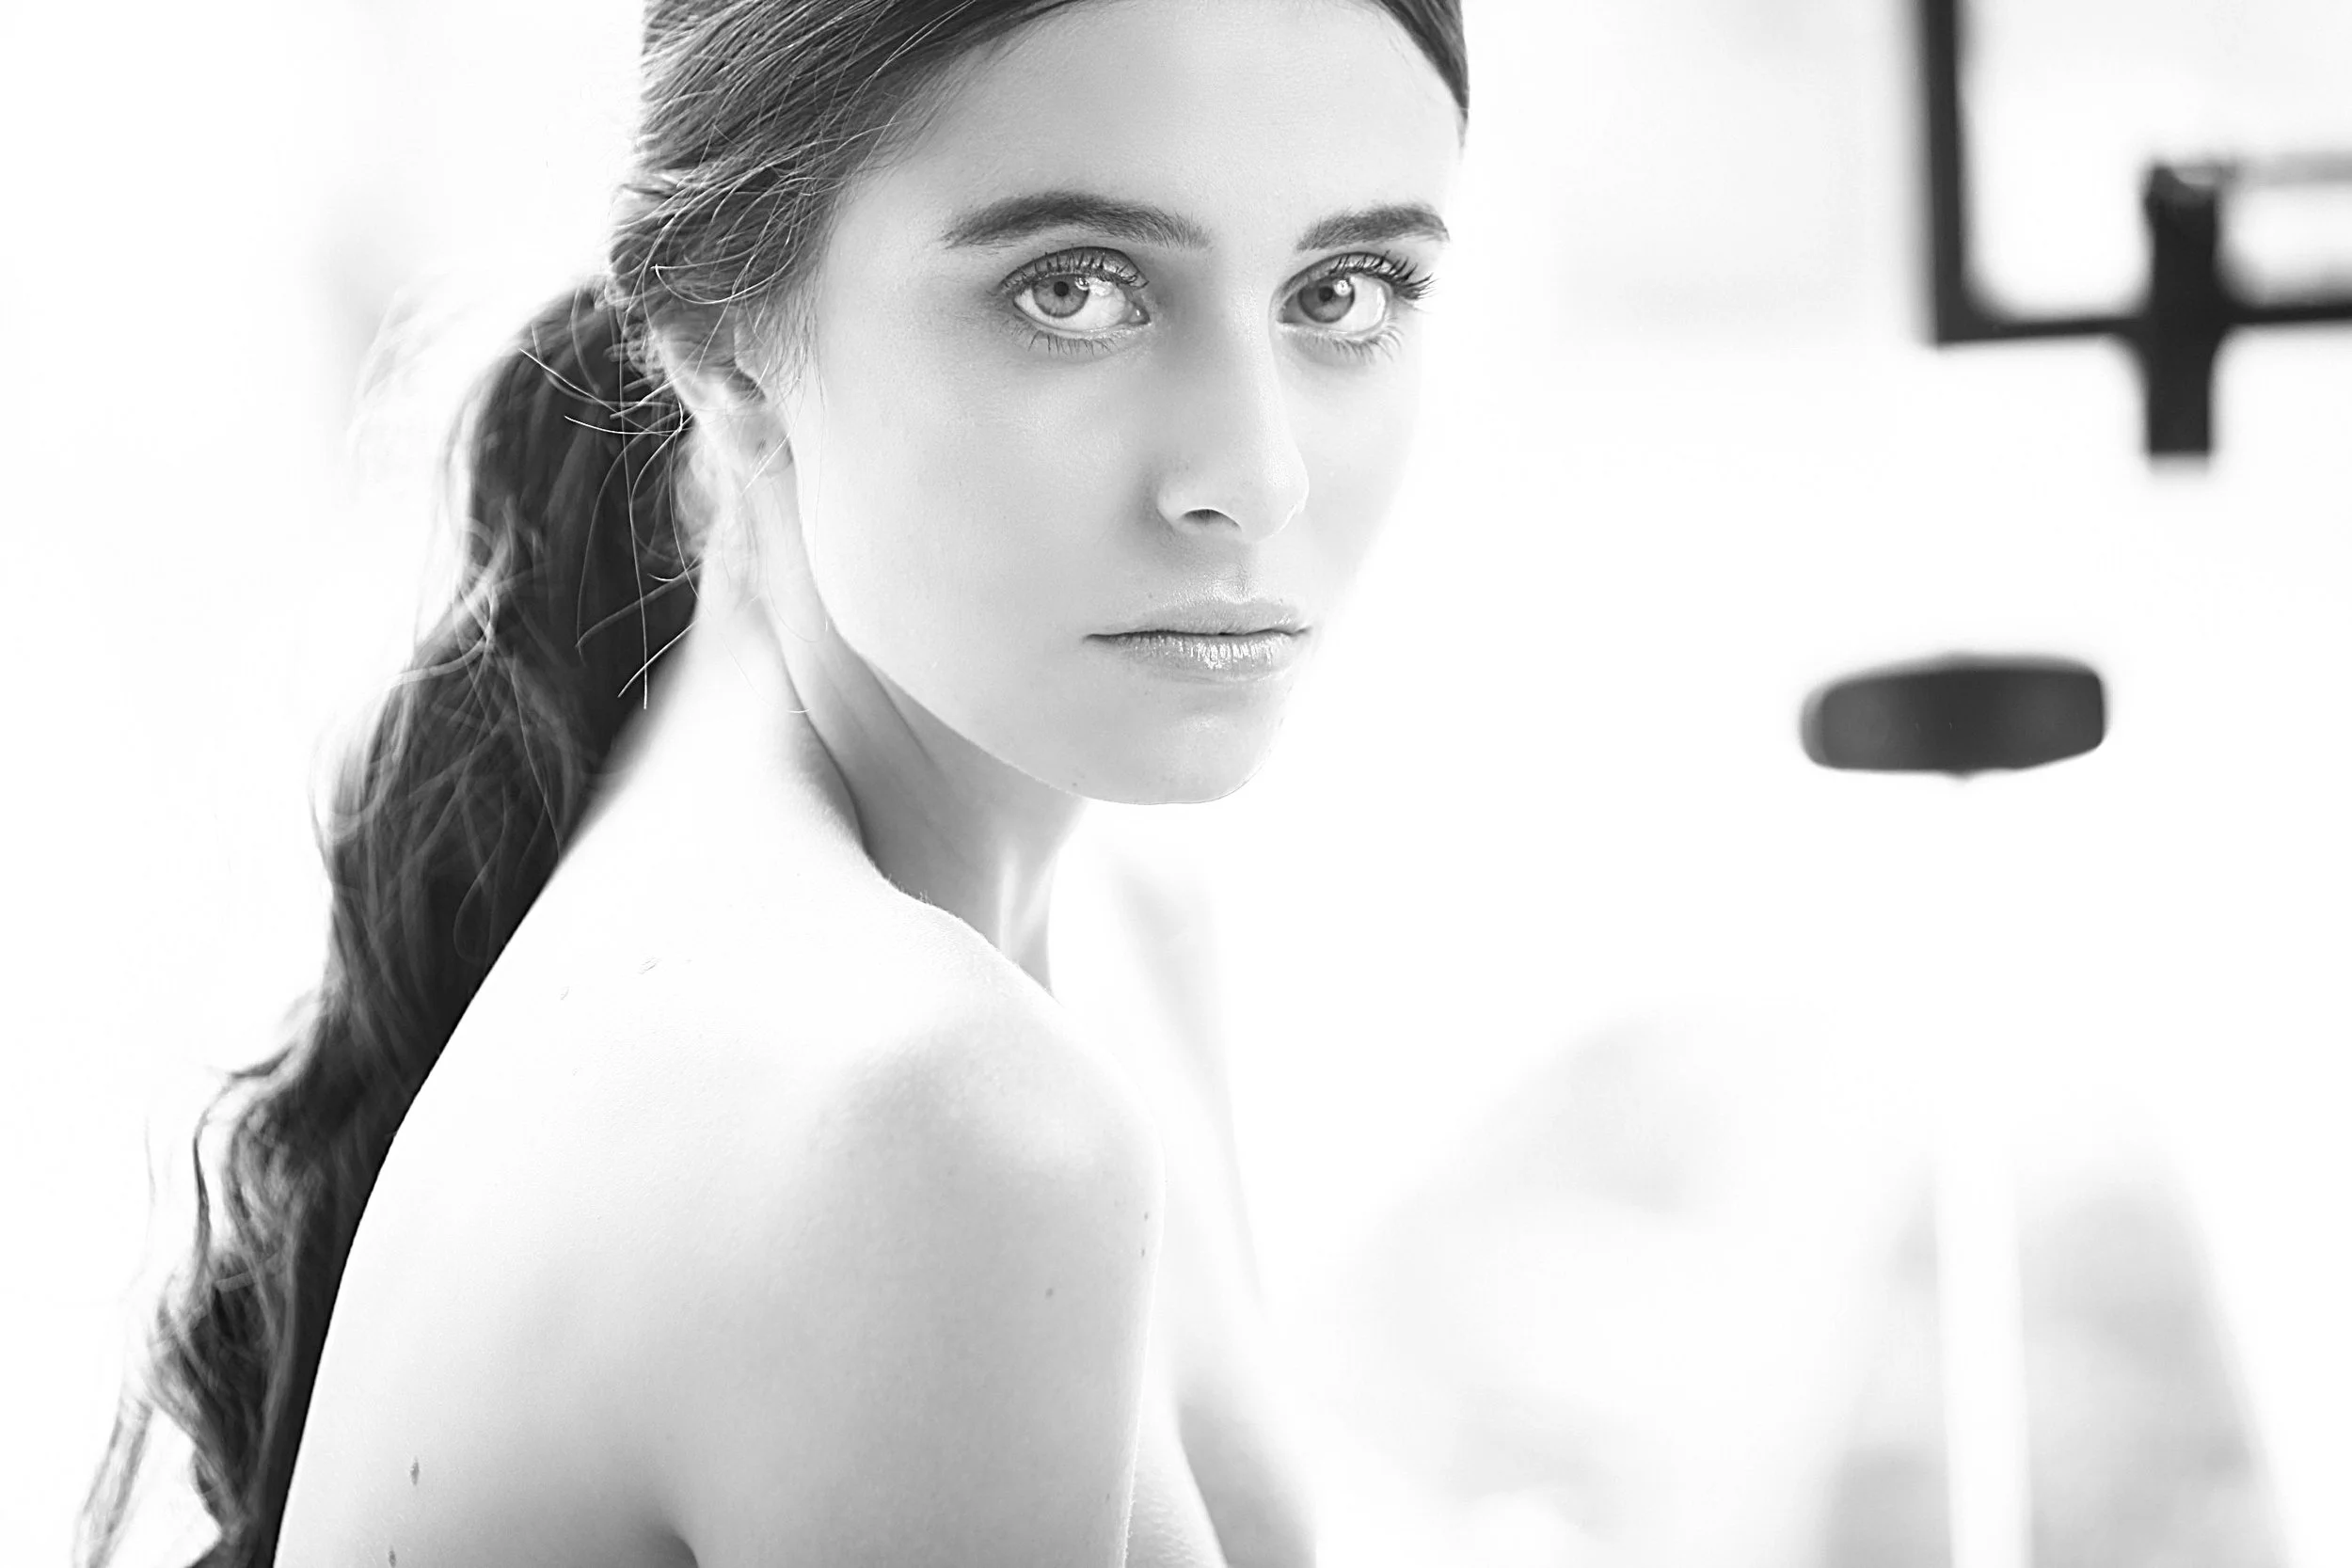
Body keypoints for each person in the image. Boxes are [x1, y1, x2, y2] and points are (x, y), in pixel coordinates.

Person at [79, 1, 1469, 1563]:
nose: (1255, 475)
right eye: (1074, 289)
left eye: (1348, 290)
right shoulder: (929, 1118)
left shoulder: (1099, 924)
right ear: (727, 352)